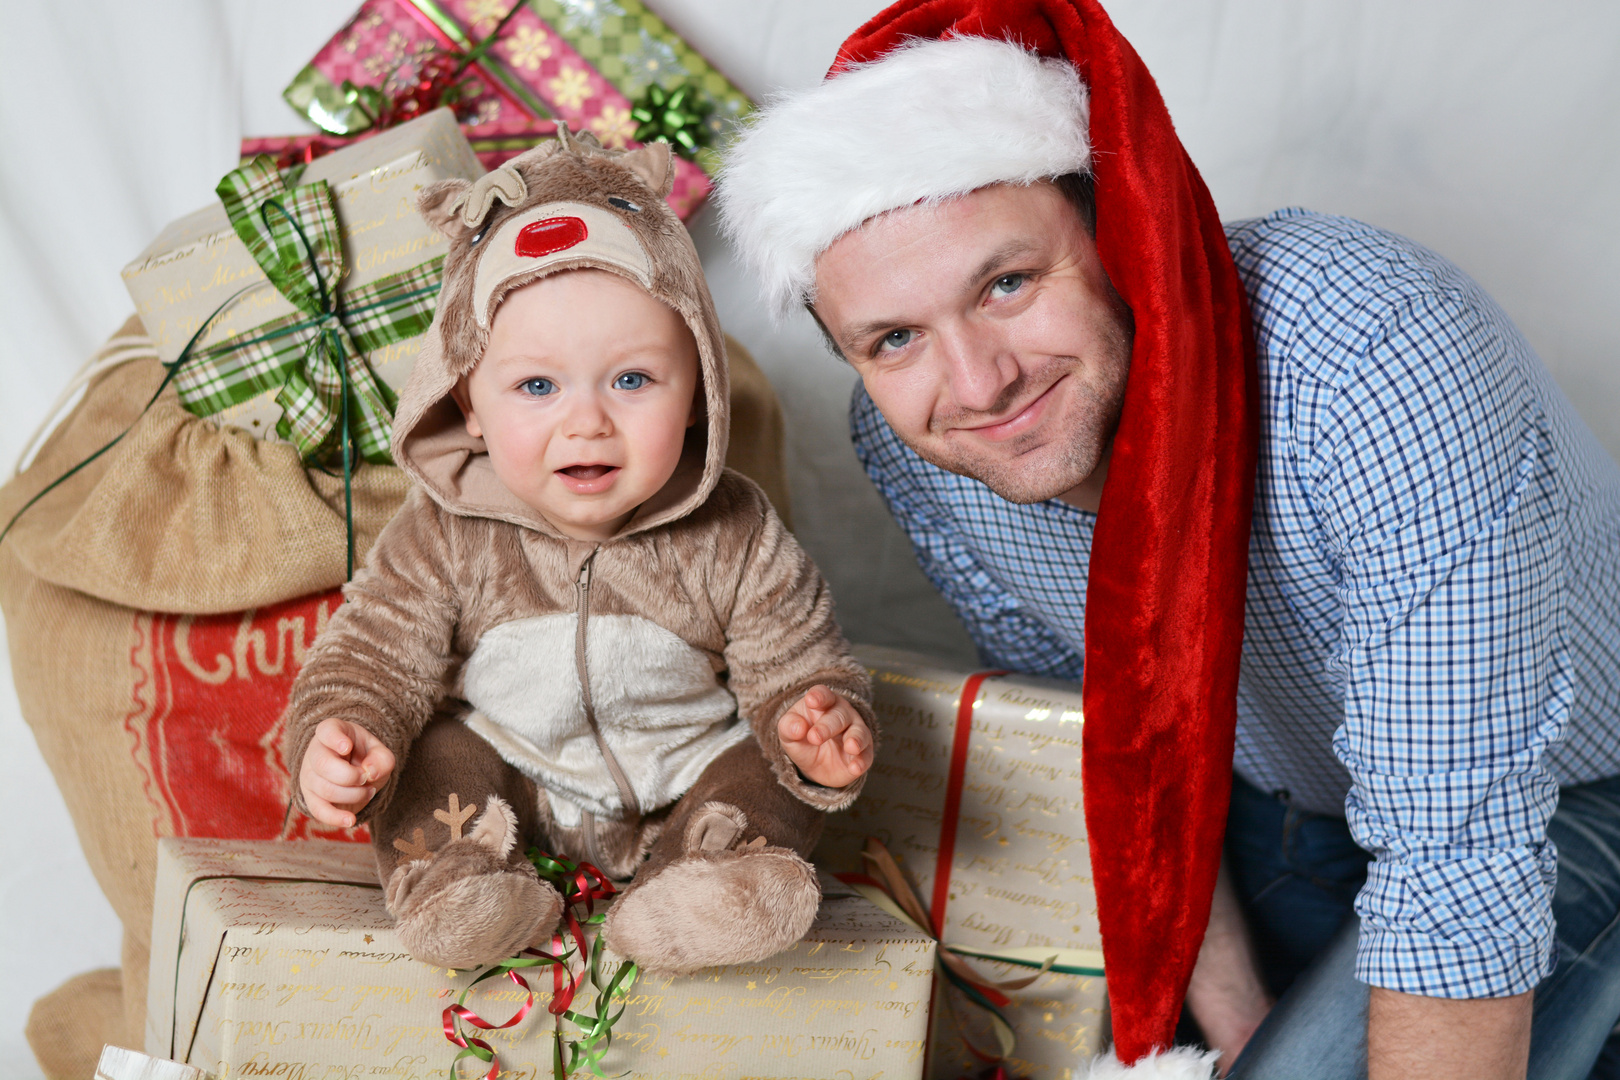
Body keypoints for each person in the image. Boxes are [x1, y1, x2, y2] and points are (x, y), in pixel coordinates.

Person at [716, 3, 1620, 1078]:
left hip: (1561, 797)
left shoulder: (1368, 353)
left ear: (1119, 235)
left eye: (1007, 283)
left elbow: (1459, 853)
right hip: (1275, 811)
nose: (978, 383)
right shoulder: (915, 443)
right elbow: (1110, 737)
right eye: (896, 337)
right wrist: (1231, 1032)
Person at [282, 130, 876, 977]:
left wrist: (812, 722)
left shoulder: (734, 527)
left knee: (768, 774)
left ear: (698, 386)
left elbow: (796, 656)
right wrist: (345, 731)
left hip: (684, 785)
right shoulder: (445, 531)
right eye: (536, 387)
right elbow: (373, 654)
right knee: (431, 754)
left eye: (632, 380)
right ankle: (459, 886)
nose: (587, 422)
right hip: (509, 784)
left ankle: (708, 888)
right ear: (469, 403)